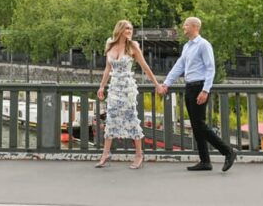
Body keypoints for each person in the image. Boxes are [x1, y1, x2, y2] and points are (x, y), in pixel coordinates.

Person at [157, 17, 237, 172]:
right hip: (190, 87)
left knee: (199, 124)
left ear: (195, 27)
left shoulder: (203, 45)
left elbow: (210, 68)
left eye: (186, 24)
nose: (183, 27)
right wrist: (166, 83)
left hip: (199, 86)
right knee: (195, 125)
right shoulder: (187, 46)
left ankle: (228, 151)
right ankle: (205, 161)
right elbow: (179, 66)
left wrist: (205, 90)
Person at [96, 20, 161, 169]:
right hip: (114, 88)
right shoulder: (110, 45)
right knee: (111, 117)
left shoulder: (133, 46)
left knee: (131, 117)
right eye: (126, 28)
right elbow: (107, 69)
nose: (129, 31)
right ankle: (105, 153)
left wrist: (156, 84)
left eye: (131, 29)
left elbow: (145, 66)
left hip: (127, 88)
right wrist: (101, 86)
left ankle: (139, 154)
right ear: (119, 30)